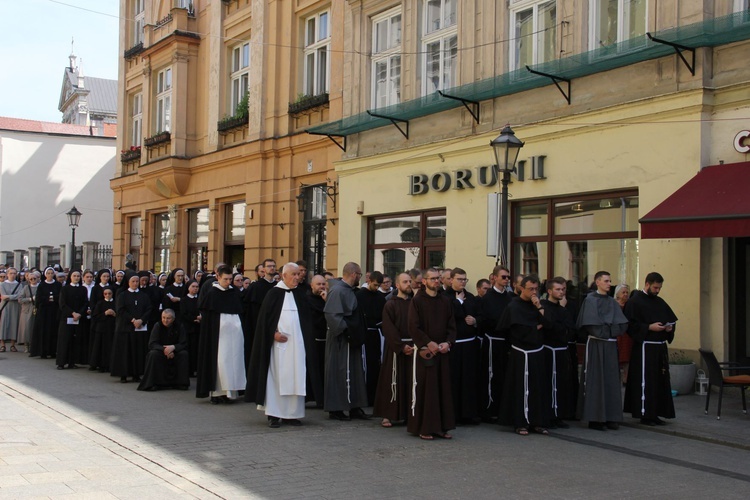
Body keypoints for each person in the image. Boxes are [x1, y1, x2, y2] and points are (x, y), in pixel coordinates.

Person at [246, 263, 322, 427]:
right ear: (284, 275)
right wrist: (273, 334)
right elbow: (263, 323)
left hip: (298, 347)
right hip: (278, 349)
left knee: (297, 377)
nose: (297, 277)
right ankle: (274, 414)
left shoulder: (301, 295)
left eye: (298, 274)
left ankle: (292, 414)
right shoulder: (273, 294)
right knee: (277, 379)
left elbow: (308, 321)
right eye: (293, 274)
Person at [498, 275, 554, 436]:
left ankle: (538, 422)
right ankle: (520, 422)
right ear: (522, 288)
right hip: (521, 353)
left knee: (538, 388)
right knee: (520, 389)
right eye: (531, 289)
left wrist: (539, 308)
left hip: (537, 352)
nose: (534, 292)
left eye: (536, 289)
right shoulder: (514, 306)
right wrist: (535, 327)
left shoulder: (539, 305)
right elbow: (517, 331)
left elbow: (549, 325)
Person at [407, 267, 456, 440]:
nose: (436, 281)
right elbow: (413, 326)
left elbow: (452, 325)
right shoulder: (417, 301)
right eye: (433, 278)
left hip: (442, 351)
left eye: (438, 278)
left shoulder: (445, 301)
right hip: (426, 352)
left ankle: (441, 427)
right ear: (425, 281)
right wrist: (428, 342)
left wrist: (447, 342)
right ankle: (425, 427)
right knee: (427, 391)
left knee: (443, 389)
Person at [576, 271, 629, 430]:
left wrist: (610, 331)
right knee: (596, 380)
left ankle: (611, 416)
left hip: (610, 345)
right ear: (597, 282)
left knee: (611, 380)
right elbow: (592, 326)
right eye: (606, 281)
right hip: (597, 345)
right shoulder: (590, 301)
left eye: (610, 281)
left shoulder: (612, 302)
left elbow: (621, 325)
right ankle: (595, 418)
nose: (609, 283)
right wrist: (608, 330)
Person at [623, 272, 678, 426]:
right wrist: (648, 327)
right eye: (655, 287)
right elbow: (630, 326)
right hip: (644, 349)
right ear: (647, 284)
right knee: (647, 381)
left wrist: (669, 329)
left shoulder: (660, 302)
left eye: (659, 288)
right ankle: (645, 413)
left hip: (659, 349)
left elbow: (671, 320)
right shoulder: (634, 302)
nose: (658, 291)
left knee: (659, 381)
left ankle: (657, 413)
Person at [323, 262, 369, 421]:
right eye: (360, 274)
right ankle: (336, 408)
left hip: (351, 339)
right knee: (339, 372)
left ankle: (355, 406)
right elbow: (331, 315)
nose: (360, 278)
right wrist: (348, 330)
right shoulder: (337, 291)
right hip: (341, 340)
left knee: (355, 372)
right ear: (353, 274)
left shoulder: (348, 290)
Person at [196, 264, 246, 404]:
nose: (228, 282)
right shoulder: (212, 294)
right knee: (220, 362)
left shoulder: (234, 292)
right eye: (225, 279)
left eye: (230, 279)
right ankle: (217, 393)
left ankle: (231, 392)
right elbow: (208, 320)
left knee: (234, 361)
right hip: (219, 337)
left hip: (234, 335)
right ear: (218, 277)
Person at [373, 272, 414, 428]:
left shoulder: (414, 304)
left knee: (410, 381)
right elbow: (388, 328)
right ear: (397, 285)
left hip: (412, 347)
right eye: (405, 282)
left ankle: (407, 414)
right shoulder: (390, 304)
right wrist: (401, 346)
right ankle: (387, 415)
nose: (408, 284)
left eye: (410, 281)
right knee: (391, 380)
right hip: (396, 348)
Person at [478, 265, 513, 421]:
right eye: (503, 277)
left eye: (508, 277)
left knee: (504, 376)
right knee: (491, 375)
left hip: (506, 342)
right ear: (494, 277)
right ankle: (489, 409)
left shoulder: (510, 298)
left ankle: (503, 409)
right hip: (492, 341)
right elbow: (484, 319)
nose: (506, 280)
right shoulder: (487, 298)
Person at [446, 267, 482, 425]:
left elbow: (479, 314)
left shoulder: (472, 297)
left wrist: (475, 321)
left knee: (469, 379)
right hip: (454, 345)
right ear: (451, 279)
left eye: (464, 279)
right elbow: (452, 315)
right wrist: (459, 302)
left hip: (469, 344)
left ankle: (469, 413)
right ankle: (454, 414)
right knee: (455, 379)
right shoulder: (444, 297)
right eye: (459, 279)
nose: (462, 282)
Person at [541, 277, 577, 428]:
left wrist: (562, 330)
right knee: (548, 383)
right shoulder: (544, 307)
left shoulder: (563, 309)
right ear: (549, 291)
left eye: (562, 289)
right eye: (557, 289)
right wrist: (559, 329)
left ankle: (558, 415)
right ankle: (547, 415)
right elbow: (549, 326)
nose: (561, 292)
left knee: (561, 383)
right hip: (548, 351)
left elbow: (570, 328)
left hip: (562, 350)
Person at [111, 271, 152, 383]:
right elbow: (121, 310)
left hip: (139, 327)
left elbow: (149, 309)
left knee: (138, 351)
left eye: (137, 281)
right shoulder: (122, 295)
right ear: (128, 282)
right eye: (133, 281)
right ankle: (123, 374)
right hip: (125, 327)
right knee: (125, 351)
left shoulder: (144, 296)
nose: (135, 283)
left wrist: (141, 320)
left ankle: (136, 373)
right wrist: (133, 320)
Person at [138, 309, 190, 391]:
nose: (165, 320)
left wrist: (173, 348)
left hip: (175, 350)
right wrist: (165, 350)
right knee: (153, 354)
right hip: (160, 351)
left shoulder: (179, 326)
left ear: (173, 319)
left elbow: (183, 343)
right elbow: (152, 343)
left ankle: (181, 383)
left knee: (184, 354)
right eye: (163, 317)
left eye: (168, 318)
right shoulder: (157, 325)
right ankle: (153, 383)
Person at [355, 270, 387, 406]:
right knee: (365, 365)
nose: (376, 288)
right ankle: (364, 395)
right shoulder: (359, 295)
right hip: (364, 333)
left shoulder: (380, 297)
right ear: (368, 281)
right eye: (375, 285)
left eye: (378, 285)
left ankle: (374, 395)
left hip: (377, 334)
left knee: (376, 364)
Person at [55, 270, 88, 369]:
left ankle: (72, 362)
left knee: (75, 340)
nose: (76, 278)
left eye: (78, 276)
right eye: (74, 276)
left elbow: (85, 303)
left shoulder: (83, 289)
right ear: (70, 277)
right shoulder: (65, 289)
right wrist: (72, 313)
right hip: (66, 318)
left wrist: (79, 313)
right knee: (64, 340)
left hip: (78, 318)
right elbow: (62, 304)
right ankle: (61, 363)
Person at [29, 267, 62, 359]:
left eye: (52, 273)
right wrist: (50, 298)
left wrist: (50, 298)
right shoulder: (42, 285)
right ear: (45, 274)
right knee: (43, 331)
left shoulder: (58, 285)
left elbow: (60, 297)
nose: (50, 275)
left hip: (54, 311)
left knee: (53, 331)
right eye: (48, 273)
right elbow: (39, 298)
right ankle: (42, 351)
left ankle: (52, 351)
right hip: (44, 312)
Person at [306, 274, 328, 404]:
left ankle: (322, 398)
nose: (321, 287)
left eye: (323, 284)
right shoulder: (306, 299)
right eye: (318, 284)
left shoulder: (328, 299)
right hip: (313, 339)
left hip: (325, 339)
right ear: (312, 285)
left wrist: (327, 301)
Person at [89, 287, 116, 373]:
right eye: (105, 294)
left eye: (109, 293)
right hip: (101, 329)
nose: (107, 295)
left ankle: (109, 365)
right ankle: (100, 365)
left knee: (110, 347)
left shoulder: (116, 303)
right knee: (100, 348)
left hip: (112, 329)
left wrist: (114, 314)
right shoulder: (100, 303)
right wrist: (105, 313)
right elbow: (95, 316)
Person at [180, 280, 201, 377]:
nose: (195, 288)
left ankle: (196, 368)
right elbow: (183, 314)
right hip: (188, 328)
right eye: (193, 286)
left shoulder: (200, 299)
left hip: (198, 328)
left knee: (197, 349)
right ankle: (188, 370)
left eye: (197, 287)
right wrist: (194, 319)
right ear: (188, 288)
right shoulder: (184, 300)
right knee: (189, 349)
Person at [0, 267, 24, 352]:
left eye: (14, 273)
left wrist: (8, 297)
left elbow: (19, 295)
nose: (13, 275)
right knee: (3, 324)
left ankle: (13, 345)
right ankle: (2, 344)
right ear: (7, 274)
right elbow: (3, 296)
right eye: (11, 273)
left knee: (14, 323)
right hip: (5, 306)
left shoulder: (19, 284)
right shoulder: (2, 284)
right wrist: (11, 297)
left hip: (15, 306)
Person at [18, 271, 40, 352]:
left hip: (37, 308)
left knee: (35, 327)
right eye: (31, 279)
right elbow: (20, 299)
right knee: (26, 328)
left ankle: (34, 345)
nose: (33, 280)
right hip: (27, 309)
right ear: (29, 280)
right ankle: (26, 345)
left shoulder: (40, 287)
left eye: (35, 278)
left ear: (38, 279)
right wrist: (30, 299)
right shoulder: (26, 288)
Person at [614, 284, 632, 385]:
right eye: (623, 292)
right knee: (616, 357)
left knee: (627, 358)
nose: (625, 294)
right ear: (617, 294)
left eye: (626, 292)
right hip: (617, 334)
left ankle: (626, 379)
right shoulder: (614, 305)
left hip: (627, 335)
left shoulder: (629, 305)